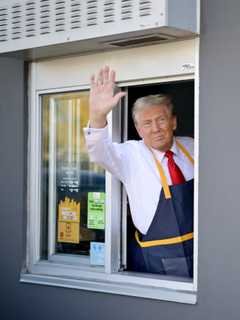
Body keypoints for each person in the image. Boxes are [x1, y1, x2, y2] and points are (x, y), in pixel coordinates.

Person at [83, 66, 194, 277]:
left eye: (161, 120)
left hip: (202, 249)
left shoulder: (192, 147)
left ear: (173, 122)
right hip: (159, 257)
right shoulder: (131, 154)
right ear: (138, 129)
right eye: (147, 123)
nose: (155, 128)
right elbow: (98, 152)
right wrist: (97, 115)